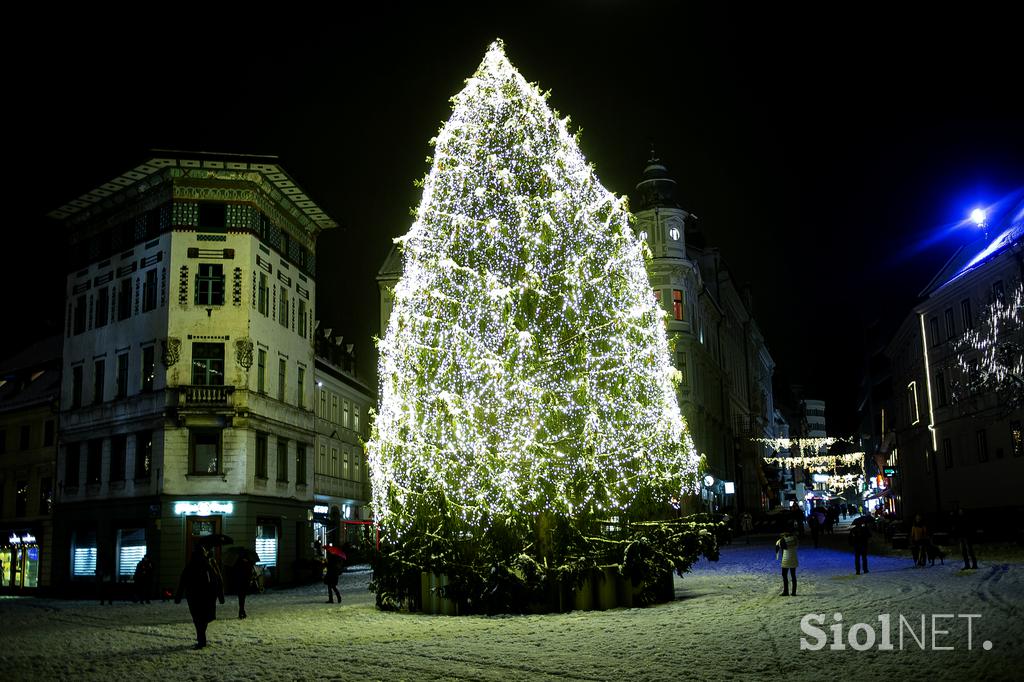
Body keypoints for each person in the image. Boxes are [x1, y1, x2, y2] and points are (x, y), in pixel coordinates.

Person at [175, 545, 225, 649]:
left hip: (194, 596)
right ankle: (201, 638)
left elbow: (183, 581)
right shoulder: (208, 565)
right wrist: (220, 596)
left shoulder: (192, 565)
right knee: (203, 618)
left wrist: (178, 596)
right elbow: (217, 580)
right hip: (207, 596)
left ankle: (201, 638)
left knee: (198, 618)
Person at [229, 551, 257, 619]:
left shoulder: (237, 563)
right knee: (242, 597)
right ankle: (242, 611)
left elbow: (234, 573)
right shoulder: (249, 563)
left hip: (240, 582)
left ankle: (241, 611)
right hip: (245, 582)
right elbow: (251, 574)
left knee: (241, 597)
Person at [775, 524, 799, 596]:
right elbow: (796, 545)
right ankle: (794, 592)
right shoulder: (795, 539)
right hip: (794, 558)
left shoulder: (782, 540)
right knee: (793, 575)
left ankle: (786, 591)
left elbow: (778, 548)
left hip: (786, 559)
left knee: (784, 575)